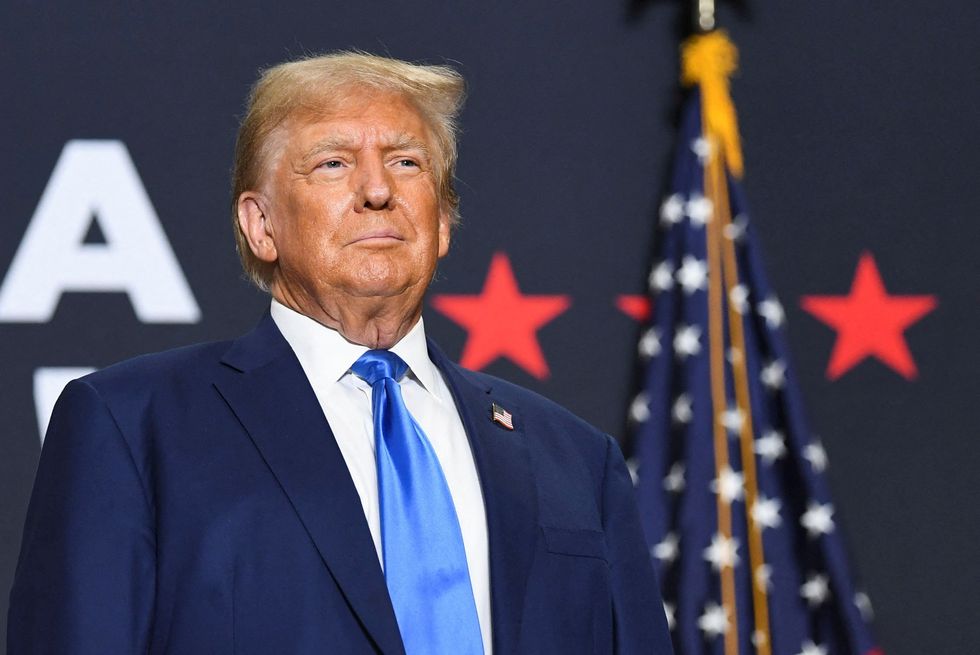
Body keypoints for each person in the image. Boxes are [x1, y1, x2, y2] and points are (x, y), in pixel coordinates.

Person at [8, 52, 673, 654]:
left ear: (442, 222)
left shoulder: (576, 460)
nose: (377, 189)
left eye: (406, 162)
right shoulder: (133, 427)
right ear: (260, 225)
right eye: (333, 163)